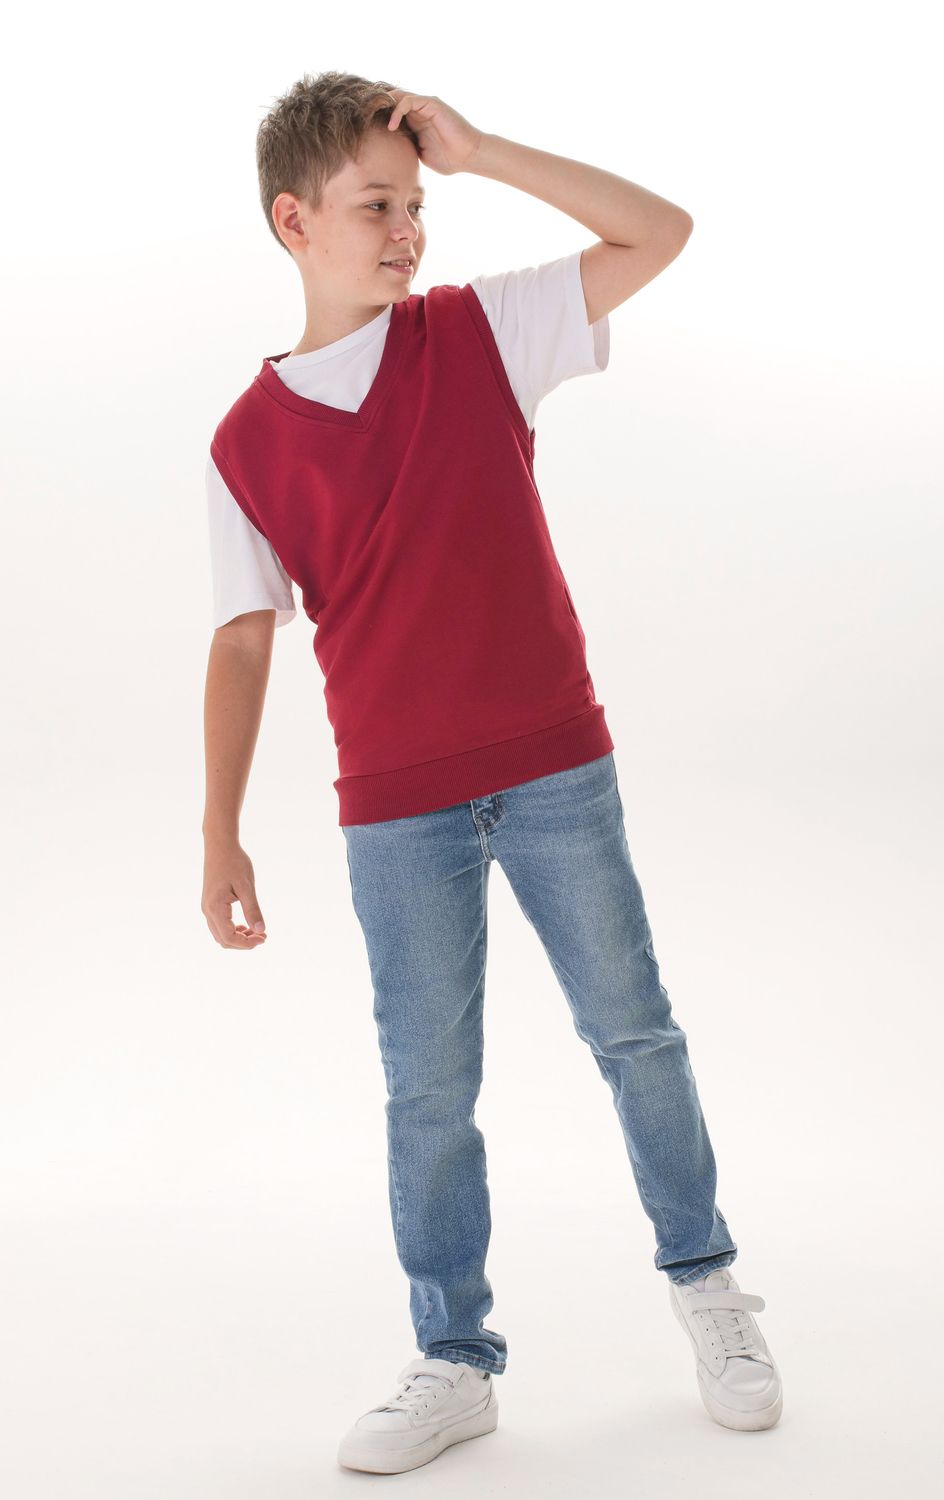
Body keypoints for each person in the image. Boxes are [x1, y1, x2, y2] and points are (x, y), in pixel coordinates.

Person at [200, 70, 783, 1476]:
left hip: (554, 769)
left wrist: (482, 150)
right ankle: (454, 1358)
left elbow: (659, 233)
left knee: (633, 1031)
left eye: (417, 205)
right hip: (395, 808)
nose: (408, 229)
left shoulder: (481, 332)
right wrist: (220, 830)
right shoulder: (245, 445)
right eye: (376, 206)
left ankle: (709, 1285)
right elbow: (241, 638)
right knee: (427, 1089)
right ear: (293, 221)